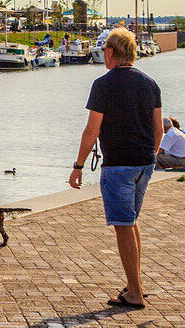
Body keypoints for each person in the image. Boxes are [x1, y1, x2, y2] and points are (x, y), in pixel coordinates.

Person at [69, 27, 162, 309]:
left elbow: (91, 131)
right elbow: (158, 129)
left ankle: (135, 292)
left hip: (119, 165)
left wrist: (78, 165)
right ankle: (135, 285)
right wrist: (150, 156)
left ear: (110, 53)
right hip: (144, 163)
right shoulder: (150, 84)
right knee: (130, 223)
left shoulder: (103, 84)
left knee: (123, 226)